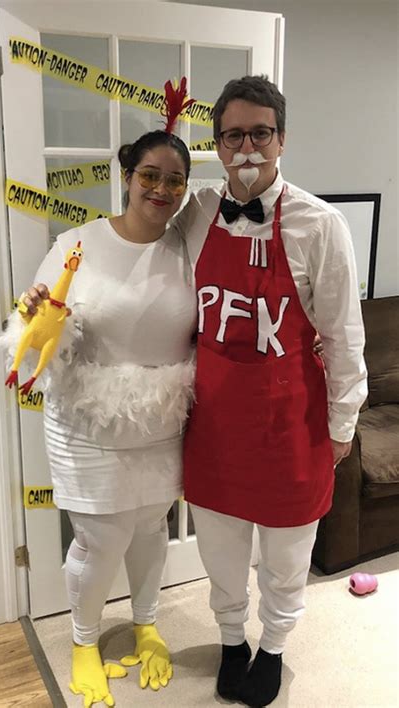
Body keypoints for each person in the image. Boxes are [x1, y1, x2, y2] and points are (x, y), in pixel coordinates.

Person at [174, 75, 368, 707]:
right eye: (234, 135)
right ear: (219, 145)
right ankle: (233, 639)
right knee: (222, 550)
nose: (248, 146)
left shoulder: (320, 224)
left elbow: (342, 336)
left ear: (282, 139)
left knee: (285, 559)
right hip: (213, 426)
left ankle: (275, 646)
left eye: (261, 132)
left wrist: (343, 425)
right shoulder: (197, 211)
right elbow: (138, 230)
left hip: (293, 425)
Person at [1, 128, 197, 708]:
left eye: (174, 179)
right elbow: (35, 338)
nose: (160, 188)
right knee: (100, 537)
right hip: (89, 423)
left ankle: (146, 622)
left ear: (186, 188)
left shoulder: (188, 248)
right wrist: (34, 317)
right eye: (149, 175)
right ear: (127, 175)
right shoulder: (76, 245)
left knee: (149, 528)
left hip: (162, 422)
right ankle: (83, 642)